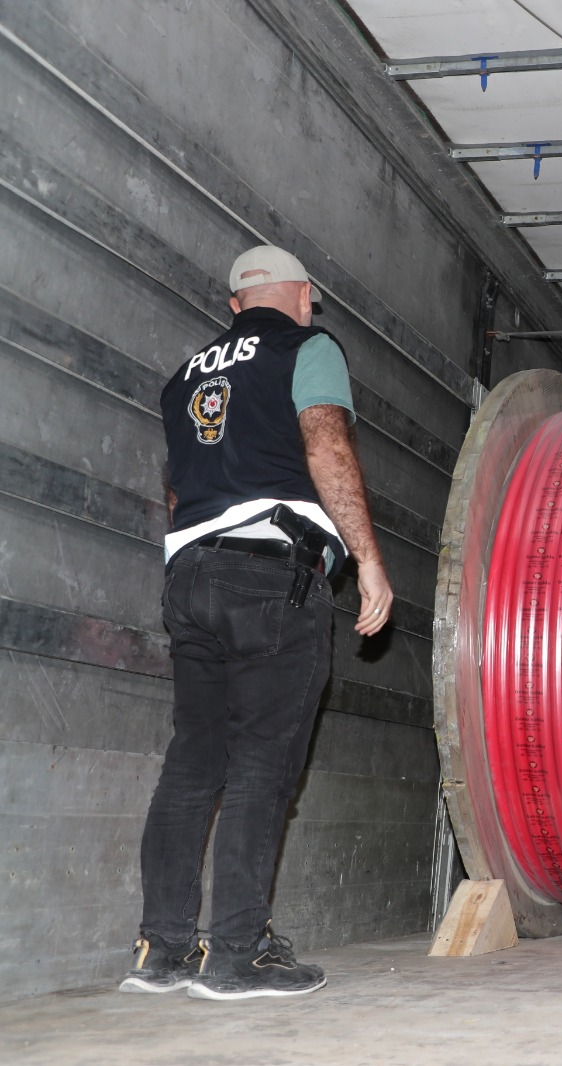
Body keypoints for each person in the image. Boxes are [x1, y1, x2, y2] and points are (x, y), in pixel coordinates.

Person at [119, 245, 393, 1001]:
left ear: (234, 305)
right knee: (263, 765)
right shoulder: (309, 345)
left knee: (193, 761)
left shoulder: (184, 379)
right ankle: (237, 952)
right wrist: (366, 557)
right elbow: (326, 440)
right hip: (270, 571)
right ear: (304, 296)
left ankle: (163, 951)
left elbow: (179, 490)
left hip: (192, 573)